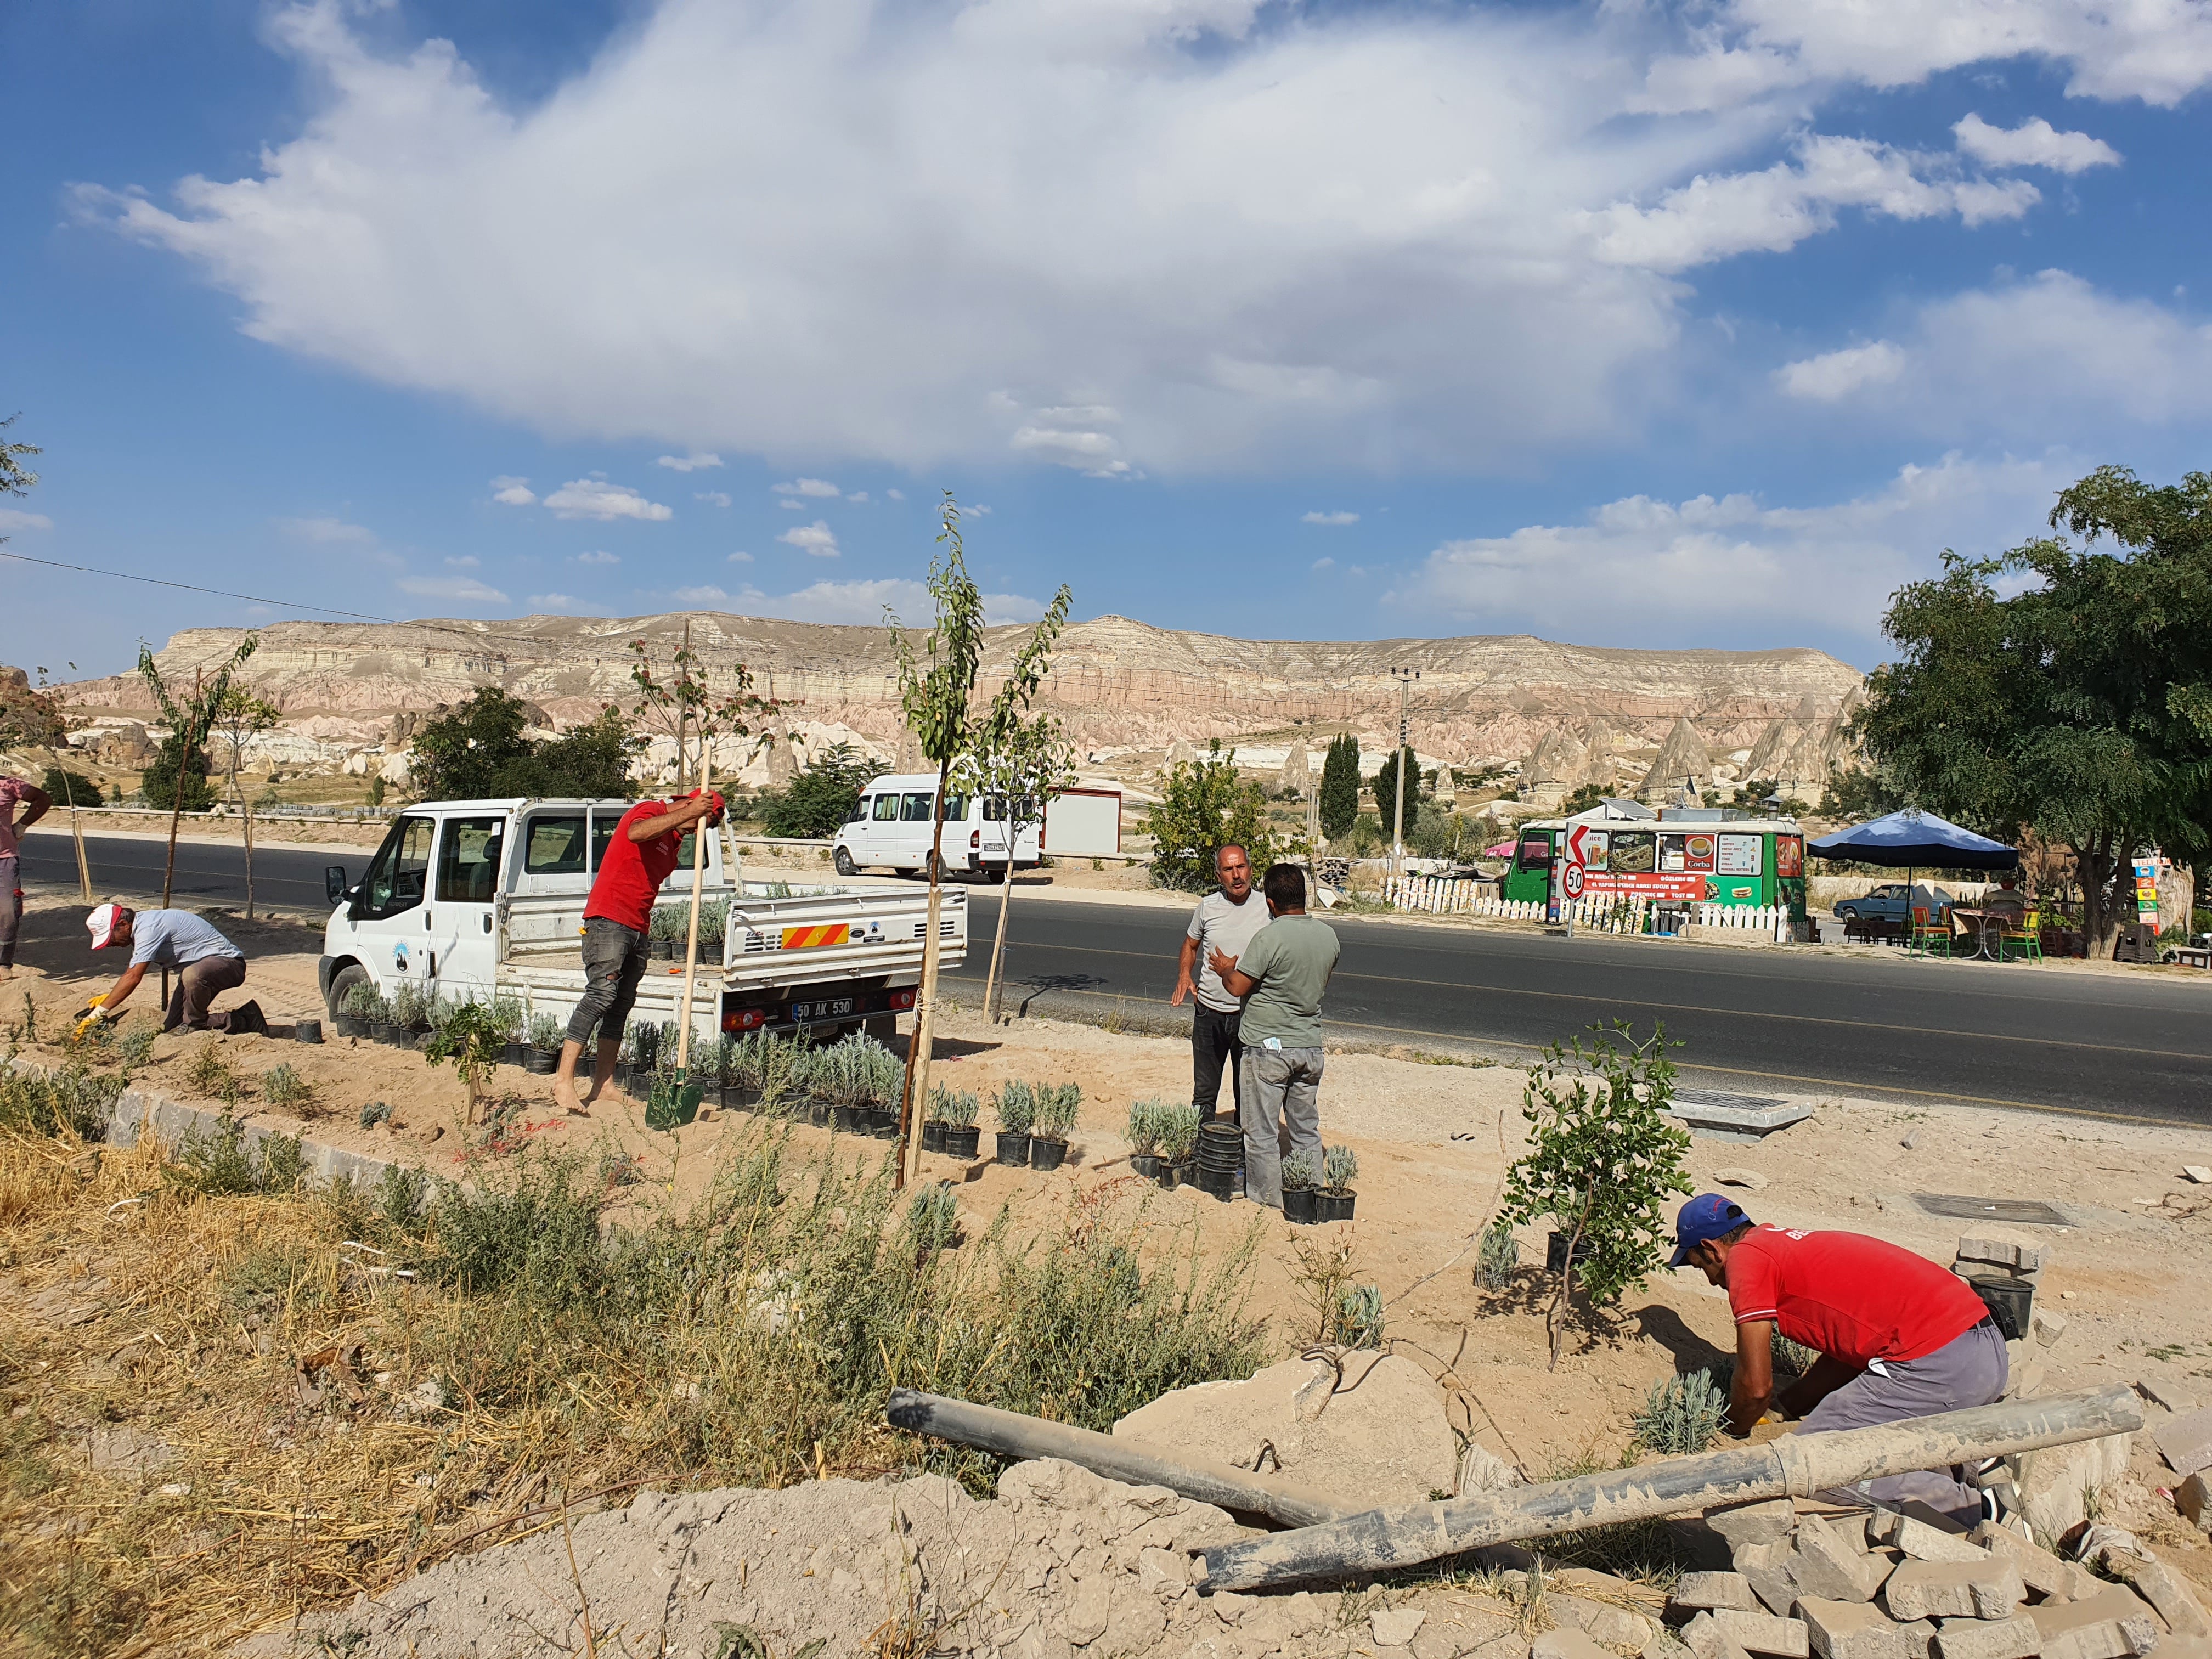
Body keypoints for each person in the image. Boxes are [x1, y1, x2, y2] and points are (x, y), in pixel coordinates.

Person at [1672, 1194, 2008, 1522]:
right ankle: (1977, 1462)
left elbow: (1756, 1388)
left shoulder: (1746, 1260)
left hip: (1938, 1362)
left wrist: (1733, 1429)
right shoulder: (1781, 1245)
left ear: (1710, 1248)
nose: (1710, 1280)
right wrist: (1787, 1406)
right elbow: (1851, 1350)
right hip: (1983, 1351)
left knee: (1814, 1465)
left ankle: (1973, 1510)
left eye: (1698, 1265)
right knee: (1866, 1428)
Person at [552, 788, 725, 1117]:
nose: (692, 832)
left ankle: (603, 1084)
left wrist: (689, 821)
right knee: (600, 995)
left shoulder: (673, 844)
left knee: (621, 1005)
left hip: (638, 926)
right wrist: (688, 813)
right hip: (608, 920)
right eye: (696, 823)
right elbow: (636, 834)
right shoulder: (648, 811)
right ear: (689, 805)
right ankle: (563, 1080)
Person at [1209, 861, 1340, 1209]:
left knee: (1262, 1134)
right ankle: (1307, 1193)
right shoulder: (1329, 937)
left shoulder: (1268, 937)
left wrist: (1225, 969)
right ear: (1305, 895)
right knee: (1305, 1130)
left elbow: (1237, 986)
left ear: (1270, 902)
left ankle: (1267, 1202)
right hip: (1309, 1047)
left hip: (1267, 1049)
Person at [1170, 843, 1269, 1122]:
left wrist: (1236, 969)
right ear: (1218, 875)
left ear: (1250, 869)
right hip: (1208, 1016)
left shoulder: (1267, 907)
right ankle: (1200, 1154)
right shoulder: (1207, 906)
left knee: (1246, 1096)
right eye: (1228, 869)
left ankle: (1241, 1159)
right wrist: (1184, 975)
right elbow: (1190, 945)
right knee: (1204, 1094)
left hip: (1249, 1017)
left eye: (1241, 867)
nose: (1236, 875)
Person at [82, 902, 262, 1033]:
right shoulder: (141, 928)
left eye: (109, 938)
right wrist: (109, 998)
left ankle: (195, 1024)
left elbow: (133, 977)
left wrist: (98, 1013)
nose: (109, 945)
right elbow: (131, 972)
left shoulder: (148, 928)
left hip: (228, 965)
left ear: (123, 925)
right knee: (171, 1027)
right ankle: (245, 1019)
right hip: (199, 972)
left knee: (191, 977)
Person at [0, 775, 52, 980]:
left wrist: (21, 826)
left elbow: (43, 799)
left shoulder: (7, 784)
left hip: (4, 860)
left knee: (8, 912)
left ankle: (2, 963)